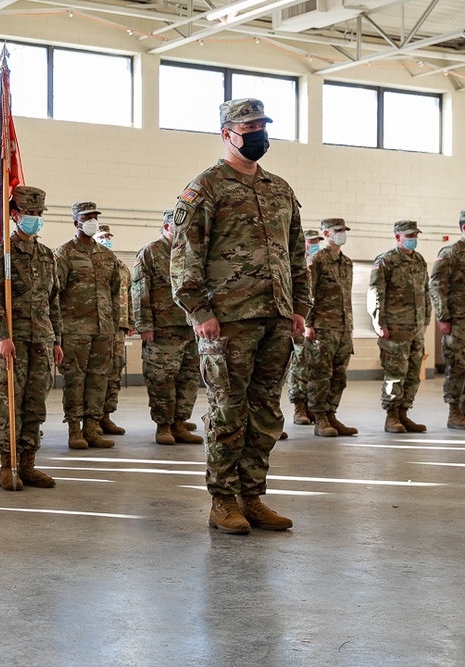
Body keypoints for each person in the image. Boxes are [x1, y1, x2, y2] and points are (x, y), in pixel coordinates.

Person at [170, 99, 310, 534]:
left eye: (262, 125)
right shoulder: (205, 188)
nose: (257, 133)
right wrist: (199, 312)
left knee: (266, 411)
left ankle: (253, 496)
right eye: (248, 126)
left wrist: (300, 308)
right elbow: (184, 257)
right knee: (228, 411)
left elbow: (296, 256)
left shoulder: (280, 189)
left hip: (276, 317)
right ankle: (223, 500)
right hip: (227, 321)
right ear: (227, 133)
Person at [0, 185, 64, 491]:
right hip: (11, 343)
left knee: (34, 405)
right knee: (10, 405)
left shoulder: (46, 255)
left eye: (39, 213)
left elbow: (52, 300)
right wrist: (3, 336)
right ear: (15, 215)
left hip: (40, 341)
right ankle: (8, 466)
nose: (36, 218)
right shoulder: (1, 252)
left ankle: (28, 464)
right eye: (30, 213)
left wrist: (56, 340)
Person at [54, 201, 123, 449]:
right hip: (74, 331)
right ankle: (75, 429)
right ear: (76, 222)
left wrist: (115, 327)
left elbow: (116, 293)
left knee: (98, 378)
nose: (92, 221)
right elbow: (55, 293)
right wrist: (57, 333)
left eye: (95, 217)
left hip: (103, 330)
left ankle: (92, 427)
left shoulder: (107, 256)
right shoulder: (64, 254)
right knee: (75, 380)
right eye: (87, 218)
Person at [132, 209, 203, 445]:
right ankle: (163, 426)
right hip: (162, 329)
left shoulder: (192, 253)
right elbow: (139, 291)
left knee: (188, 378)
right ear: (165, 228)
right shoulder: (151, 252)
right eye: (177, 228)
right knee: (161, 378)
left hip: (190, 327)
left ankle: (180, 423)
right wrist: (144, 324)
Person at [368, 220, 431, 434]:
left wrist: (426, 319)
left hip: (415, 327)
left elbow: (426, 291)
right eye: (410, 235)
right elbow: (376, 293)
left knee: (413, 373)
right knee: (395, 372)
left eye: (415, 235)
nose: (414, 239)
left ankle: (404, 413)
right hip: (394, 328)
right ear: (398, 237)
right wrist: (379, 322)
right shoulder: (386, 261)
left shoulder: (419, 260)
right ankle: (391, 416)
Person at [305, 219, 357, 438]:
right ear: (326, 233)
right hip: (323, 327)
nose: (342, 234)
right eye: (338, 231)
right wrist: (308, 324)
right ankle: (320, 419)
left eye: (344, 231)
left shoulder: (346, 263)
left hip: (343, 327)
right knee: (320, 374)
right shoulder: (317, 260)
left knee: (339, 376)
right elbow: (308, 293)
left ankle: (331, 413)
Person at [93, 224, 135, 437]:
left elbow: (130, 296)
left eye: (108, 236)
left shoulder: (121, 266)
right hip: (97, 327)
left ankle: (106, 415)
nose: (106, 240)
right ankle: (91, 419)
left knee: (115, 371)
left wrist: (131, 322)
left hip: (119, 327)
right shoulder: (93, 264)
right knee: (96, 373)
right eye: (102, 237)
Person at [431, 211, 465, 430]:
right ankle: (454, 413)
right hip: (458, 321)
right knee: (458, 365)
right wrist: (443, 316)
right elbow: (436, 285)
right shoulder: (451, 253)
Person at [289, 229, 323, 426]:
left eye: (317, 241)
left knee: (313, 367)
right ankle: (298, 407)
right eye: (310, 241)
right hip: (300, 323)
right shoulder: (297, 264)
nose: (313, 245)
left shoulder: (317, 263)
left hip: (314, 322)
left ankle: (310, 406)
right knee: (299, 365)